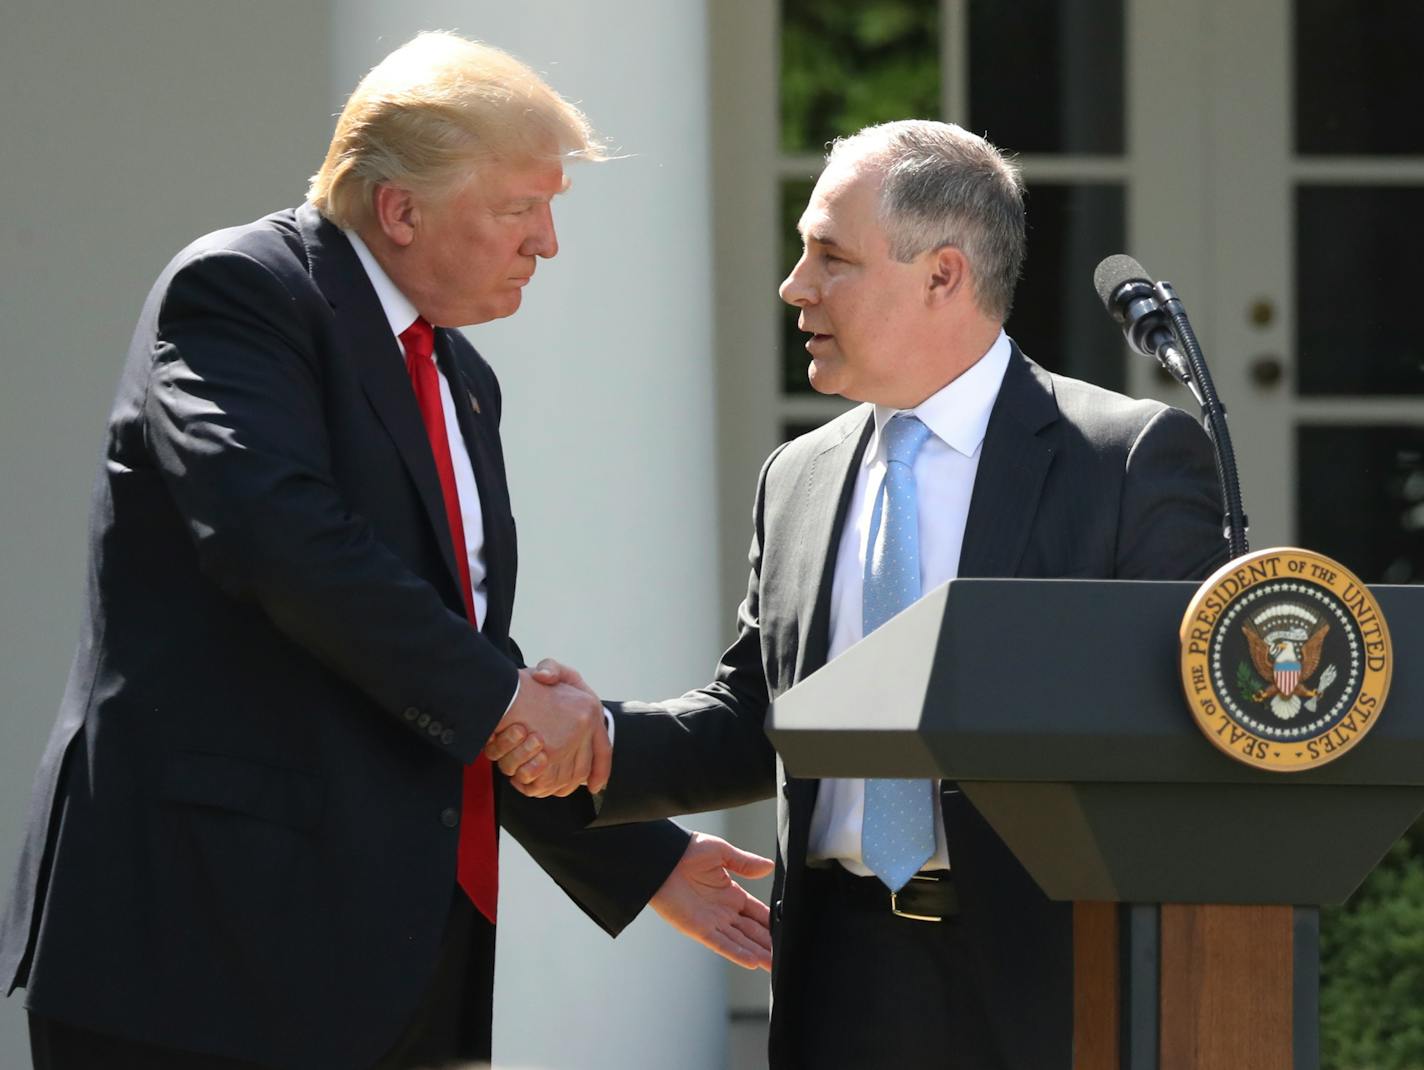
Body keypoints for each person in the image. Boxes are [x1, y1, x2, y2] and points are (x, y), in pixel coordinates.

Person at [0, 31, 771, 1070]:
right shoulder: (240, 291)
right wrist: (515, 706)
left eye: (550, 209)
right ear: (398, 208)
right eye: (517, 208)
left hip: (394, 959)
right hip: (203, 950)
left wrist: (637, 856)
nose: (544, 242)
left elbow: (433, 653)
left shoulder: (460, 376)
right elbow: (279, 538)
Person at [494, 120, 1229, 1068]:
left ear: (943, 275)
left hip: (1055, 978)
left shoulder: (1126, 461)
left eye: (830, 257)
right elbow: (761, 715)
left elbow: (1171, 735)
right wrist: (598, 741)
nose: (794, 287)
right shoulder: (796, 477)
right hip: (840, 976)